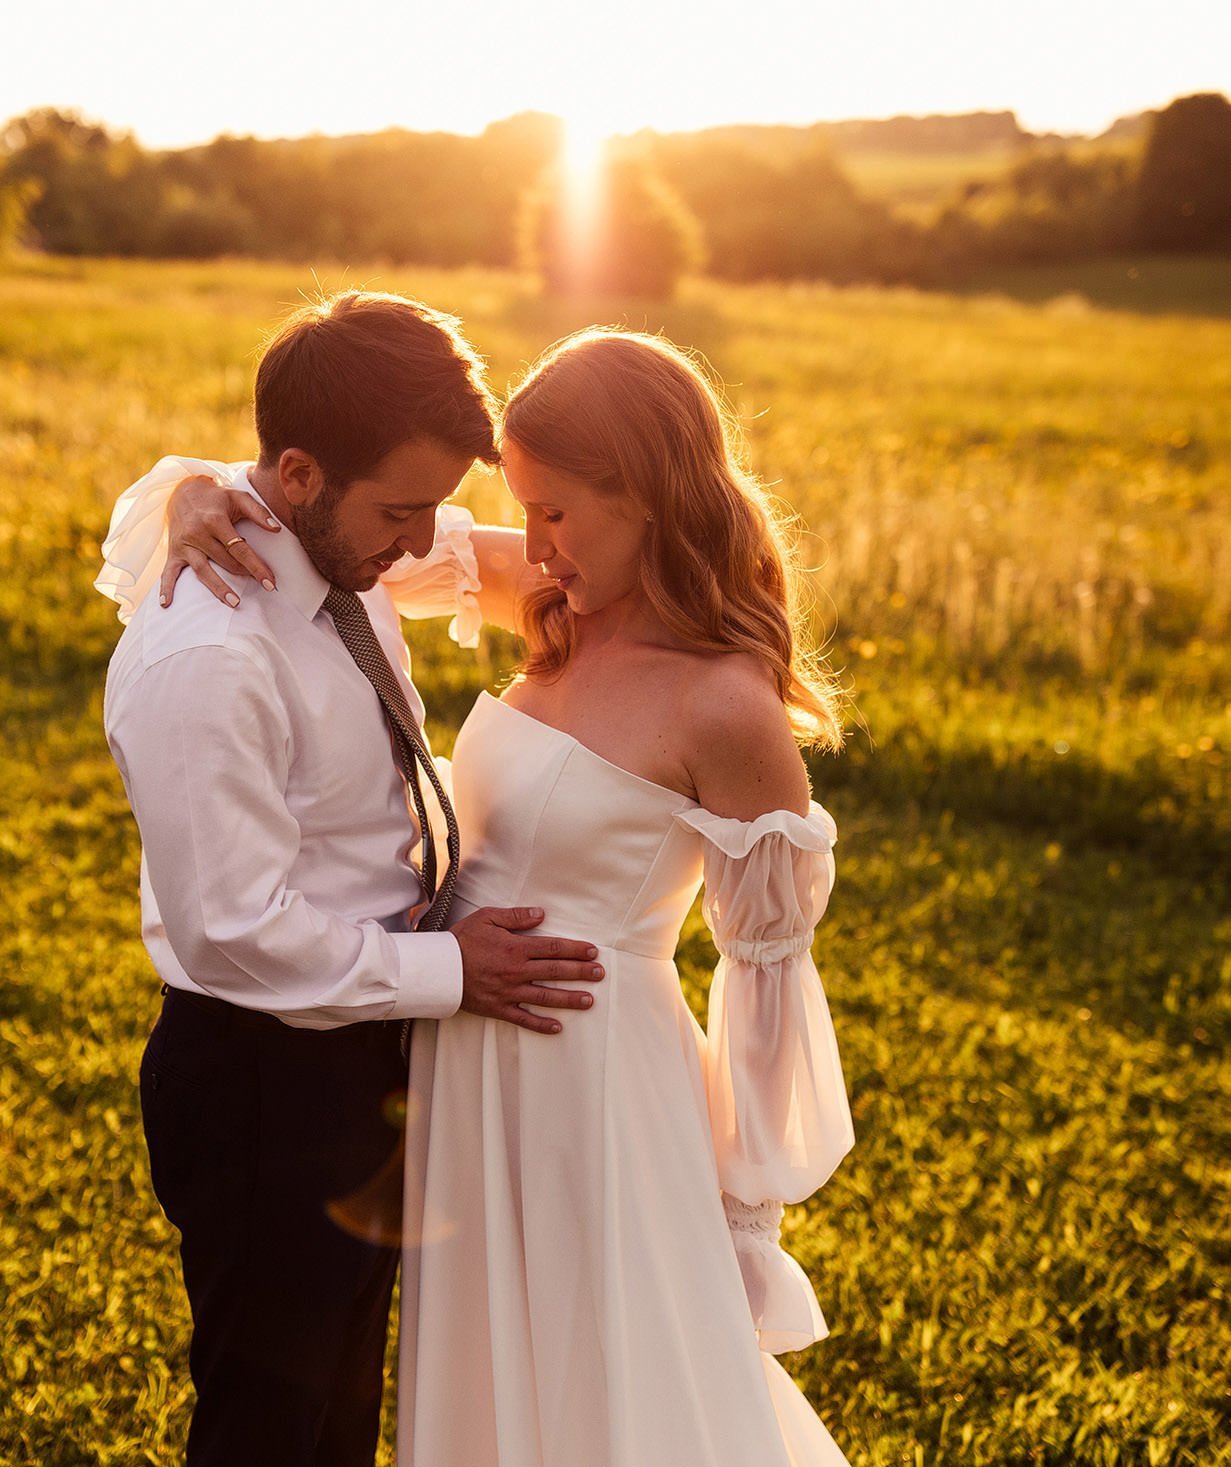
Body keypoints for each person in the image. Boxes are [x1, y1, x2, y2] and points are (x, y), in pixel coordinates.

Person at [142, 325, 860, 1465]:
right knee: (458, 1390)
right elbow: (308, 508)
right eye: (519, 510)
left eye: (555, 512)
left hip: (589, 1082)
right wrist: (190, 495)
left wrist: (742, 1213)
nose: (523, 543)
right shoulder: (557, 585)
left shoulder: (725, 707)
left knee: (606, 1384)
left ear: (651, 497)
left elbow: (765, 966)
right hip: (447, 1056)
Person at [97, 291, 611, 1467]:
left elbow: (466, 564)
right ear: (296, 471)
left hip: (354, 1054)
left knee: (336, 1407)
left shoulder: (328, 544)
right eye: (401, 509)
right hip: (260, 1076)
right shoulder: (209, 652)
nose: (420, 535)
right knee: (267, 1421)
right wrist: (451, 967)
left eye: (431, 504)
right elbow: (233, 932)